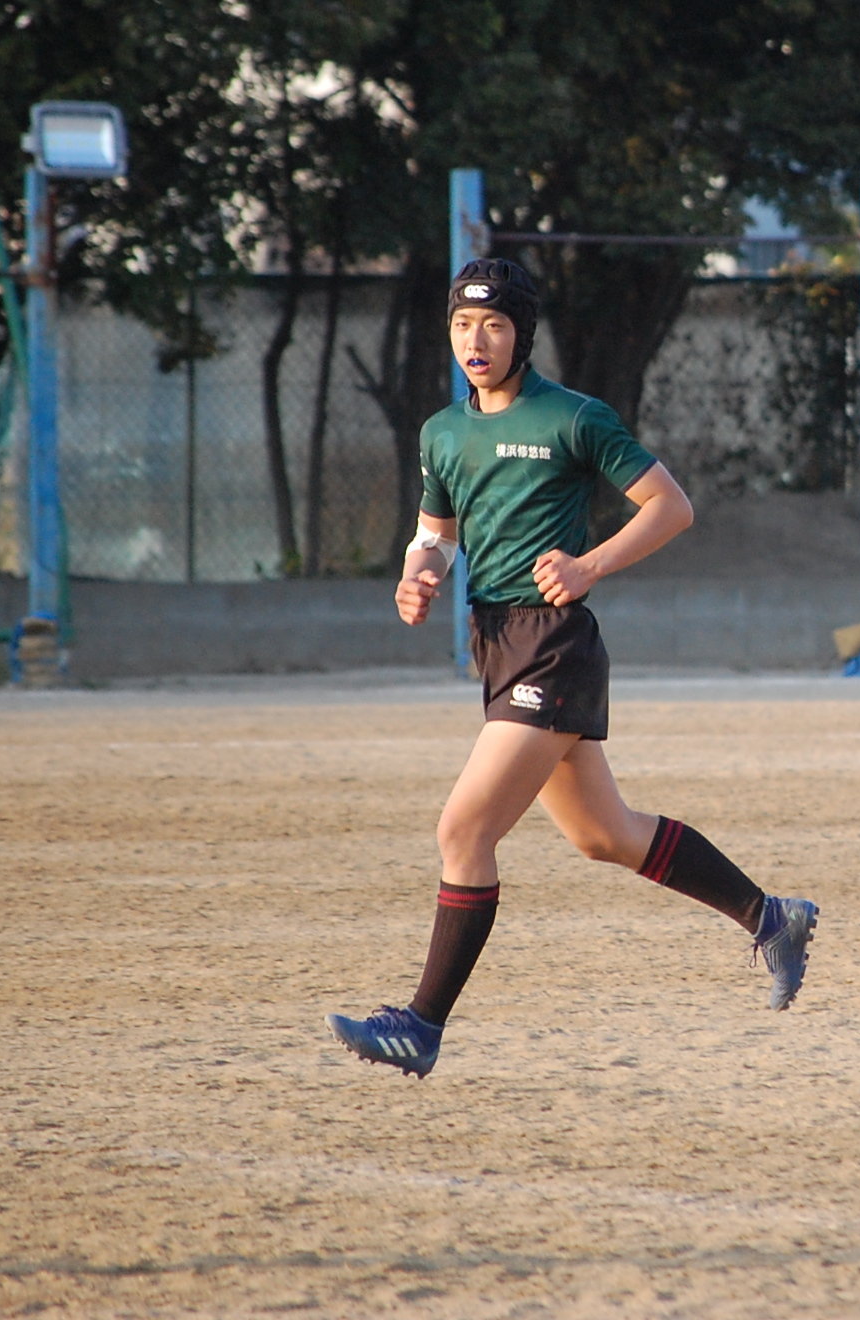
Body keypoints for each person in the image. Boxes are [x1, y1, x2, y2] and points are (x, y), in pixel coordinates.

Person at [326, 258, 818, 1077]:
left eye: (491, 326)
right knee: (604, 835)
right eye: (460, 326)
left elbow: (672, 506)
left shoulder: (575, 418)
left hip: (554, 645)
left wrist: (591, 565)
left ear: (521, 334)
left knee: (463, 830)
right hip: (498, 641)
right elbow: (437, 533)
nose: (473, 342)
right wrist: (419, 572)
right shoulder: (443, 432)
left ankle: (421, 1025)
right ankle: (772, 917)